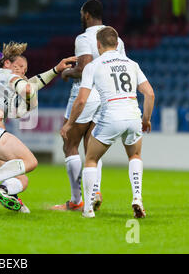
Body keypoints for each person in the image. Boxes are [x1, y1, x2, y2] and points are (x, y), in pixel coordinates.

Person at [0, 42, 75, 213]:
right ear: (7, 64)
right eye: (20, 66)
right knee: (30, 161)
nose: (22, 71)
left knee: (21, 178)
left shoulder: (1, 83)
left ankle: (6, 192)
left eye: (25, 69)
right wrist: (31, 101)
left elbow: (31, 85)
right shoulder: (4, 73)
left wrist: (56, 70)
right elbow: (30, 89)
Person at [60, 26, 155, 218]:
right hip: (132, 115)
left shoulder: (93, 66)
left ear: (98, 44)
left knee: (91, 159)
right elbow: (150, 94)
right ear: (117, 43)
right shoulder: (132, 63)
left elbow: (81, 100)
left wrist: (69, 124)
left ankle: (87, 209)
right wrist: (146, 120)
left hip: (110, 116)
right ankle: (137, 198)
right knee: (135, 156)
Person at [51, 0, 126, 212]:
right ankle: (95, 192)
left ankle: (76, 201)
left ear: (86, 15)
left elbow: (84, 68)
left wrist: (66, 72)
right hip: (107, 96)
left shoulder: (85, 37)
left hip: (86, 93)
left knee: (69, 144)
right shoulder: (116, 38)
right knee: (91, 149)